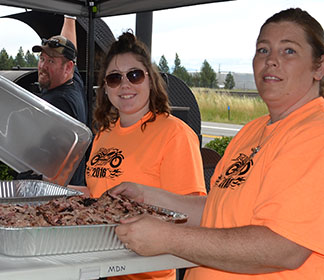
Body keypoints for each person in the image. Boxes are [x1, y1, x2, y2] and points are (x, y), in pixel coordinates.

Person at [110, 8, 324, 280]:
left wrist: (169, 238)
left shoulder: (315, 132)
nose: (271, 61)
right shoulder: (253, 130)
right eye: (263, 50)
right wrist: (148, 196)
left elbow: (283, 248)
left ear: (319, 67)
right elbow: (217, 210)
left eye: (288, 51)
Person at [74, 31, 206, 280]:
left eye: (134, 75)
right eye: (114, 78)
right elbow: (99, 196)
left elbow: (189, 217)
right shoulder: (105, 133)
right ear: (105, 87)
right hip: (97, 265)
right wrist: (55, 191)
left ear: (150, 80)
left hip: (144, 273)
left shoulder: (174, 135)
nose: (125, 85)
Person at [32, 15, 88, 185]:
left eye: (51, 61)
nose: (43, 66)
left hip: (56, 192)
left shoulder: (58, 103)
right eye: (42, 59)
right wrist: (69, 18)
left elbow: (51, 161)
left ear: (67, 67)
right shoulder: (73, 81)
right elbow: (70, 44)